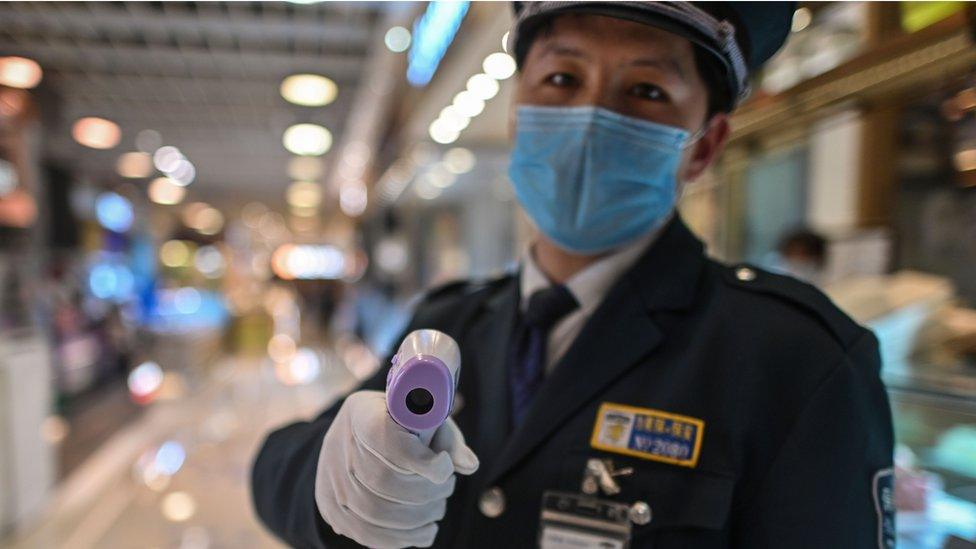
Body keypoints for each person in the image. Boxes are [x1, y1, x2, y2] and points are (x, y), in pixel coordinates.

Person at [252, 3, 895, 548]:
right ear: (517, 114)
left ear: (703, 145)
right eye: (561, 77)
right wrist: (337, 479)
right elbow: (273, 465)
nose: (591, 116)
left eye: (645, 91)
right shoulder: (451, 324)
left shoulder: (798, 362)